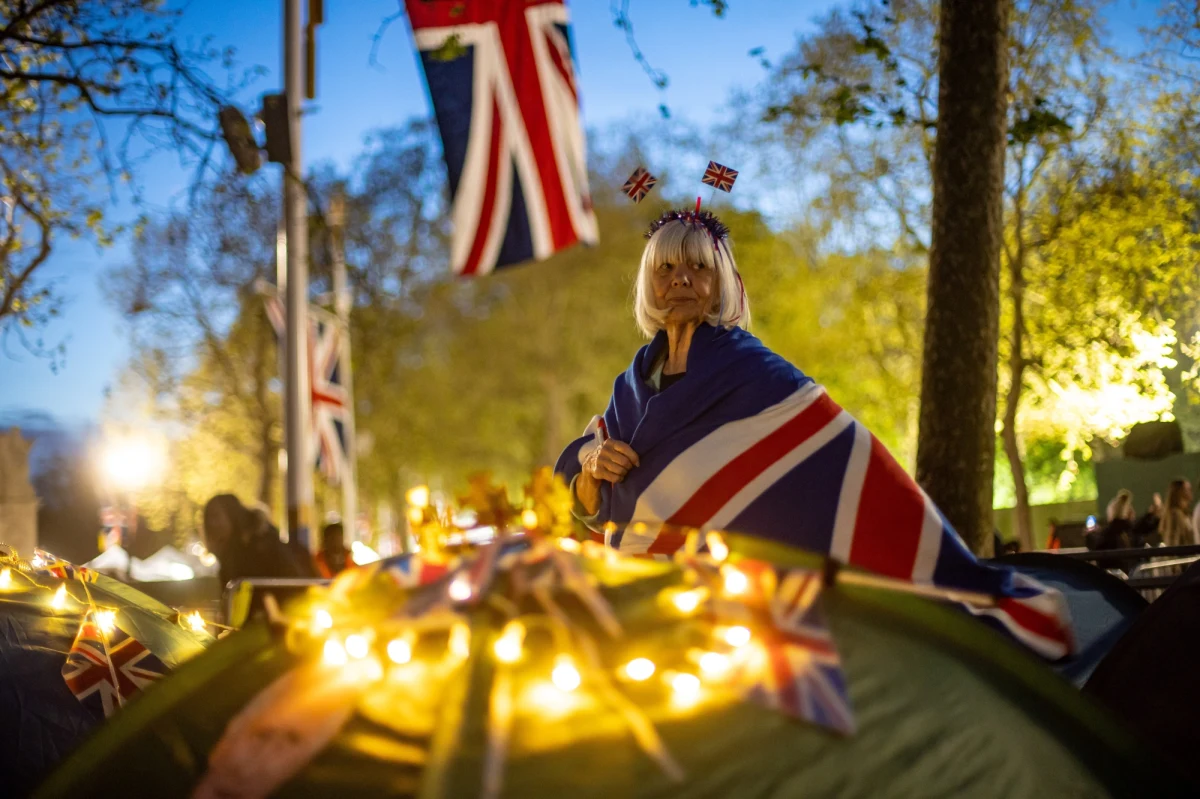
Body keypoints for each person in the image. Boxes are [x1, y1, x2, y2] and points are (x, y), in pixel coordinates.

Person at [202, 494, 315, 586]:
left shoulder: (260, 546)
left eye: (215, 516)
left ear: (232, 515)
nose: (211, 523)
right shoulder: (232, 550)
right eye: (208, 518)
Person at [1160, 478, 1196, 547]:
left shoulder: (1185, 514)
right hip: (1183, 553)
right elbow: (1172, 541)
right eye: (1188, 489)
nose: (1191, 492)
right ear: (1179, 492)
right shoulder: (1175, 514)